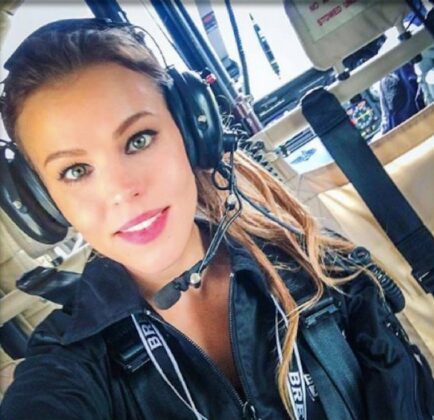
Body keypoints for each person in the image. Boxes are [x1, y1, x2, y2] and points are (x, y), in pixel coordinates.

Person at [0, 18, 433, 420]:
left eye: (139, 140)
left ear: (192, 132)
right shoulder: (65, 362)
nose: (121, 191)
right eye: (75, 171)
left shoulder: (317, 267)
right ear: (42, 202)